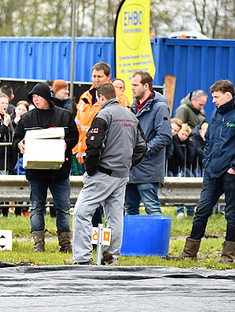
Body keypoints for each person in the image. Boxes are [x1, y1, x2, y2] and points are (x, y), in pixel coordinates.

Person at [71, 83, 146, 265]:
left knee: (81, 213)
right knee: (115, 217)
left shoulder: (103, 115)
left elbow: (94, 146)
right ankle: (111, 258)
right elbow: (142, 147)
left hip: (102, 173)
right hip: (122, 174)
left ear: (101, 97)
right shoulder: (131, 116)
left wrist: (90, 170)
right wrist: (127, 164)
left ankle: (82, 258)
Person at [173, 80, 235, 263]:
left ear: (228, 95)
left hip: (230, 173)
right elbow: (208, 140)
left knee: (231, 214)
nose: (213, 101)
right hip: (212, 172)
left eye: (216, 97)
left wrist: (233, 168)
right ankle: (189, 252)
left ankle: (228, 255)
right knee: (202, 211)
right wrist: (207, 164)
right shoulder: (216, 114)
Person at [12, 82, 78, 252]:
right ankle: (38, 245)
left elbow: (74, 135)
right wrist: (20, 145)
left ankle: (65, 245)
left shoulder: (65, 116)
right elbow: (16, 139)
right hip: (36, 172)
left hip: (59, 171)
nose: (35, 99)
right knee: (36, 207)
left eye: (38, 96)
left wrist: (66, 144)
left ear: (47, 97)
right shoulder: (27, 118)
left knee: (63, 208)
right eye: (32, 97)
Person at [125, 71, 172, 216]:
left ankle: (158, 239)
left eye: (135, 85)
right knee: (129, 210)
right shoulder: (133, 108)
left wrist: (143, 151)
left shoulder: (159, 107)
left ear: (146, 86)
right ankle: (132, 239)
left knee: (152, 209)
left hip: (148, 170)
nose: (131, 88)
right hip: (131, 169)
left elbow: (164, 136)